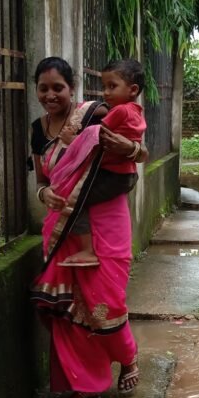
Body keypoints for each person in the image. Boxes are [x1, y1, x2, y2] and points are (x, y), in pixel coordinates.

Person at [29, 56, 148, 398]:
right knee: (67, 308)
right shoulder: (38, 130)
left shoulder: (95, 113)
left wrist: (126, 148)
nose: (51, 95)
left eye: (58, 88)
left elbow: (140, 151)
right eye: (43, 88)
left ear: (72, 89)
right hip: (65, 225)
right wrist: (43, 195)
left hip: (105, 219)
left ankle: (128, 359)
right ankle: (86, 384)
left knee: (105, 300)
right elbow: (41, 180)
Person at [58, 58, 146, 268]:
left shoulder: (120, 111)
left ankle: (88, 249)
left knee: (74, 203)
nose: (105, 93)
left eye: (112, 86)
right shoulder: (135, 112)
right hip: (126, 174)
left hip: (111, 175)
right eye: (104, 87)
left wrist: (72, 140)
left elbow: (93, 136)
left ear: (133, 90)